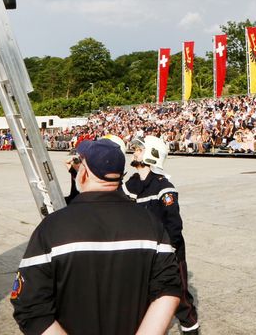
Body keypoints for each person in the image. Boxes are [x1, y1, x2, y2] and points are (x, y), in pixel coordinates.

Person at [11, 138, 181, 334]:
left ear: (84, 172)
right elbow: (168, 289)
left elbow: (30, 307)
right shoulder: (152, 225)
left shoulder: (52, 228)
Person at [123, 136, 199, 333]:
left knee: (179, 297)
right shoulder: (130, 185)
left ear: (151, 154)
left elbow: (174, 226)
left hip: (168, 254)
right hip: (143, 253)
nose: (134, 152)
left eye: (139, 149)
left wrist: (168, 255)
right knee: (144, 298)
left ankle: (191, 328)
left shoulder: (164, 187)